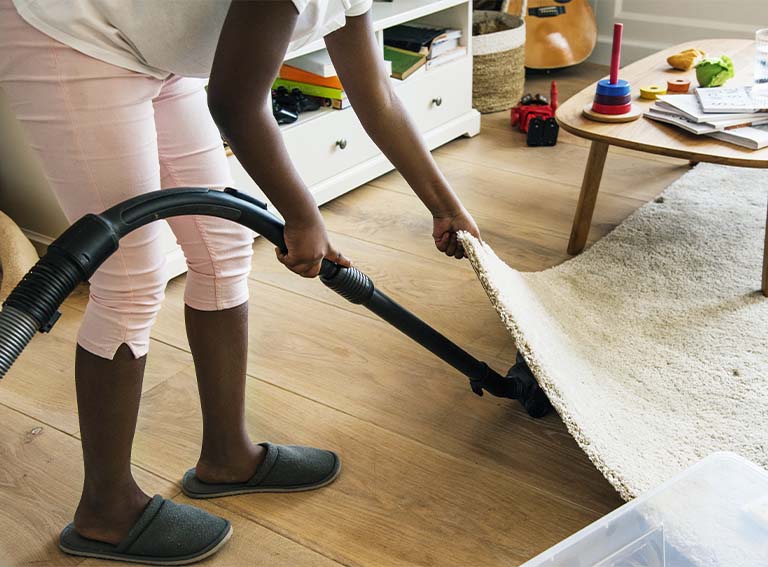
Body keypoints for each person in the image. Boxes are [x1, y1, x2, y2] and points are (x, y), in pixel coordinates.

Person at [0, 0, 481, 563]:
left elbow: (374, 90)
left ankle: (228, 455)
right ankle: (106, 511)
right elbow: (233, 102)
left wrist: (444, 206)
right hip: (69, 29)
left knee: (223, 245)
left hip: (149, 45)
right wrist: (302, 216)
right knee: (130, 276)